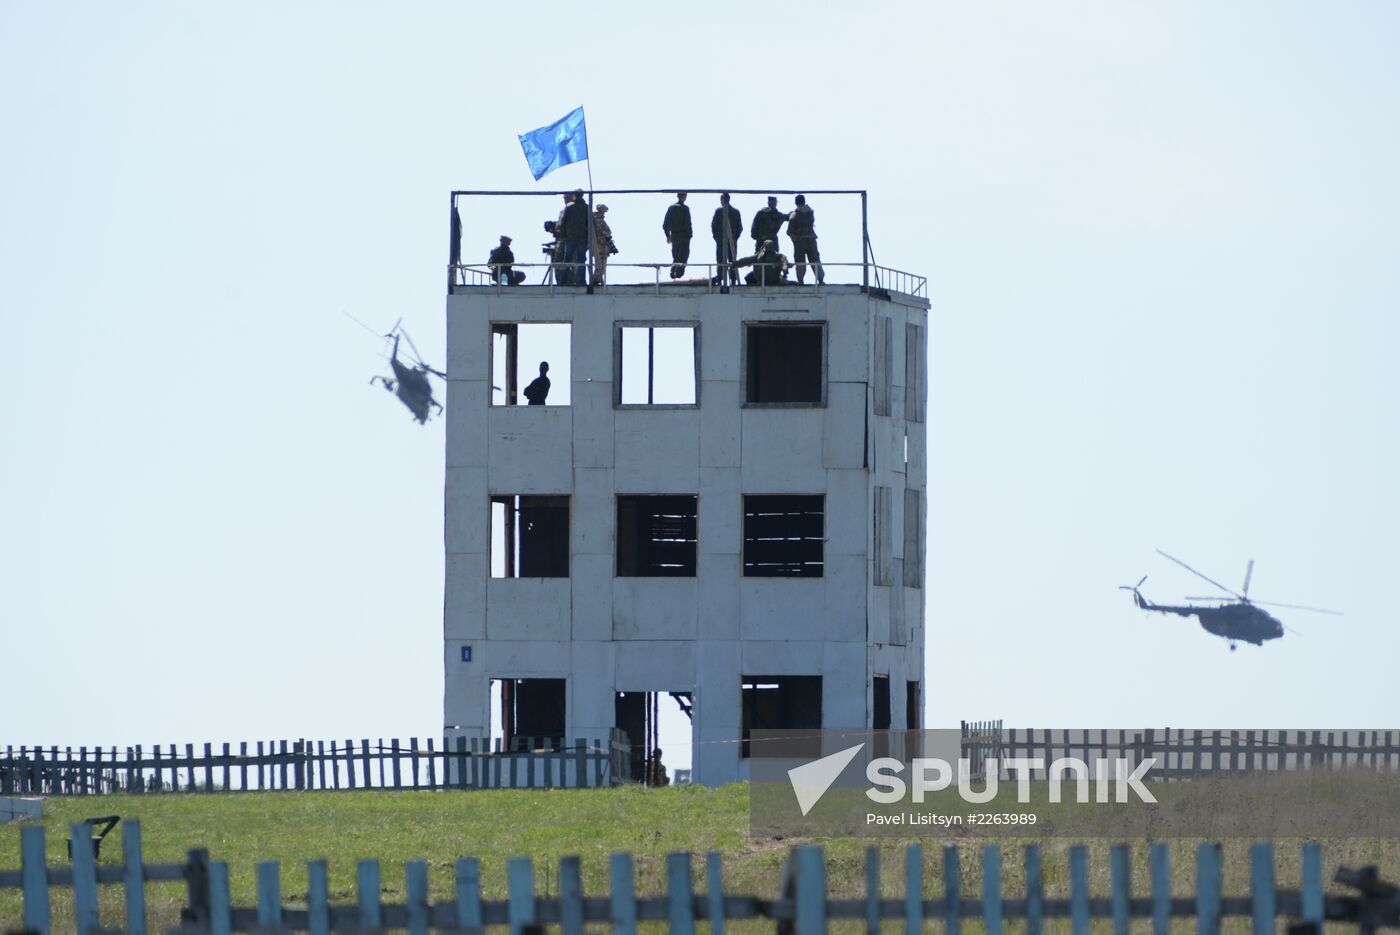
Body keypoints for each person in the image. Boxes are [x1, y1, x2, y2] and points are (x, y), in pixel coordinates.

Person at [787, 193, 825, 285]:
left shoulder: (796, 214)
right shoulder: (808, 212)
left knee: (805, 261)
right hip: (807, 240)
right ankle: (818, 280)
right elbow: (790, 232)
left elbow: (790, 231)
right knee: (810, 261)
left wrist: (795, 240)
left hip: (804, 241)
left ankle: (805, 281)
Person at [559, 189, 591, 285]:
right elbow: (590, 224)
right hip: (583, 239)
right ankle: (581, 281)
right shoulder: (587, 208)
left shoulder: (569, 208)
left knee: (567, 259)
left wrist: (563, 235)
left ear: (574, 196)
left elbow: (563, 223)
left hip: (570, 238)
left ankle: (563, 280)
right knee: (581, 260)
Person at [711, 193, 743, 286]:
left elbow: (714, 227)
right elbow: (740, 228)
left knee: (720, 261)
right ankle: (733, 281)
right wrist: (734, 238)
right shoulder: (736, 212)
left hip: (721, 242)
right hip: (731, 241)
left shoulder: (718, 211)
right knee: (733, 262)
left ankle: (720, 280)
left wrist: (717, 238)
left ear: (722, 200)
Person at [662, 192, 692, 279]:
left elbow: (665, 224)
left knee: (676, 256)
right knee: (683, 256)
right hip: (684, 236)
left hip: (674, 236)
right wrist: (689, 235)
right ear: (685, 196)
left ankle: (673, 271)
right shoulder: (685, 209)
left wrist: (668, 235)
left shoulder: (671, 208)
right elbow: (687, 223)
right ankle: (678, 274)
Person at [591, 203, 616, 285]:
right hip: (601, 246)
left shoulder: (595, 219)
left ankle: (598, 279)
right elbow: (606, 233)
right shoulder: (599, 221)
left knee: (600, 264)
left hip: (600, 246)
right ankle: (597, 280)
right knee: (600, 265)